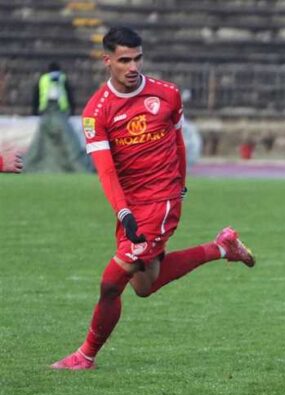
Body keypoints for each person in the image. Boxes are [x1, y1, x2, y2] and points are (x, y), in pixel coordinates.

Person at [51, 27, 256, 370]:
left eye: (138, 58)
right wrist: (123, 214)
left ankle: (85, 356)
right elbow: (106, 171)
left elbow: (178, 143)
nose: (133, 66)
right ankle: (222, 247)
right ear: (108, 62)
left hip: (161, 202)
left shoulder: (167, 95)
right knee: (144, 286)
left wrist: (181, 187)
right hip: (130, 206)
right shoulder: (96, 112)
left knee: (110, 283)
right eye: (124, 60)